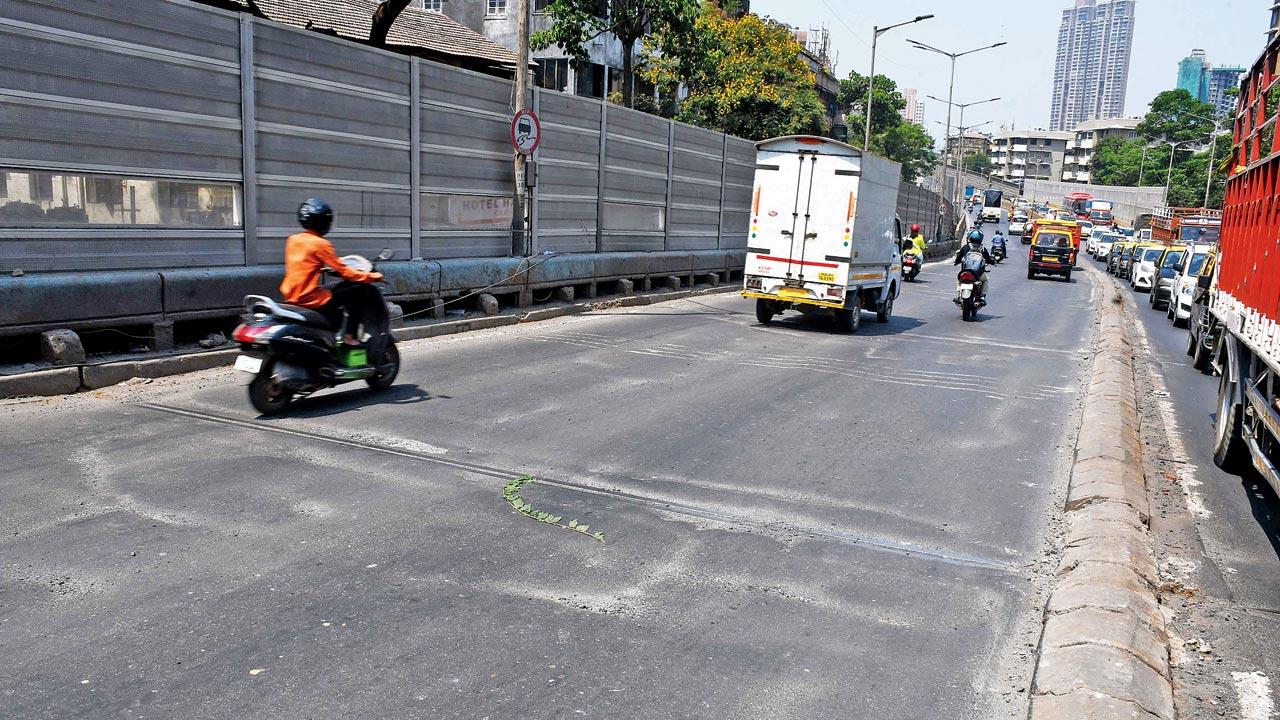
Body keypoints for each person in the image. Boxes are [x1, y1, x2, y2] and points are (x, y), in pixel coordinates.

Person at [280, 198, 384, 346]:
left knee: (338, 290)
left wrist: (321, 267)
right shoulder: (321, 244)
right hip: (310, 298)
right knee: (358, 292)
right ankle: (350, 337)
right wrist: (373, 276)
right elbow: (346, 272)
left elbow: (304, 263)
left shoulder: (293, 240)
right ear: (323, 222)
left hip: (292, 295)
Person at [954, 229, 996, 305]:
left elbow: (959, 258)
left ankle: (959, 295)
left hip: (965, 272)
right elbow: (988, 259)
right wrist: (992, 262)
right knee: (985, 279)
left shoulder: (965, 247)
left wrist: (956, 262)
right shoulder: (983, 249)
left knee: (960, 280)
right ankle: (982, 296)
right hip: (977, 274)